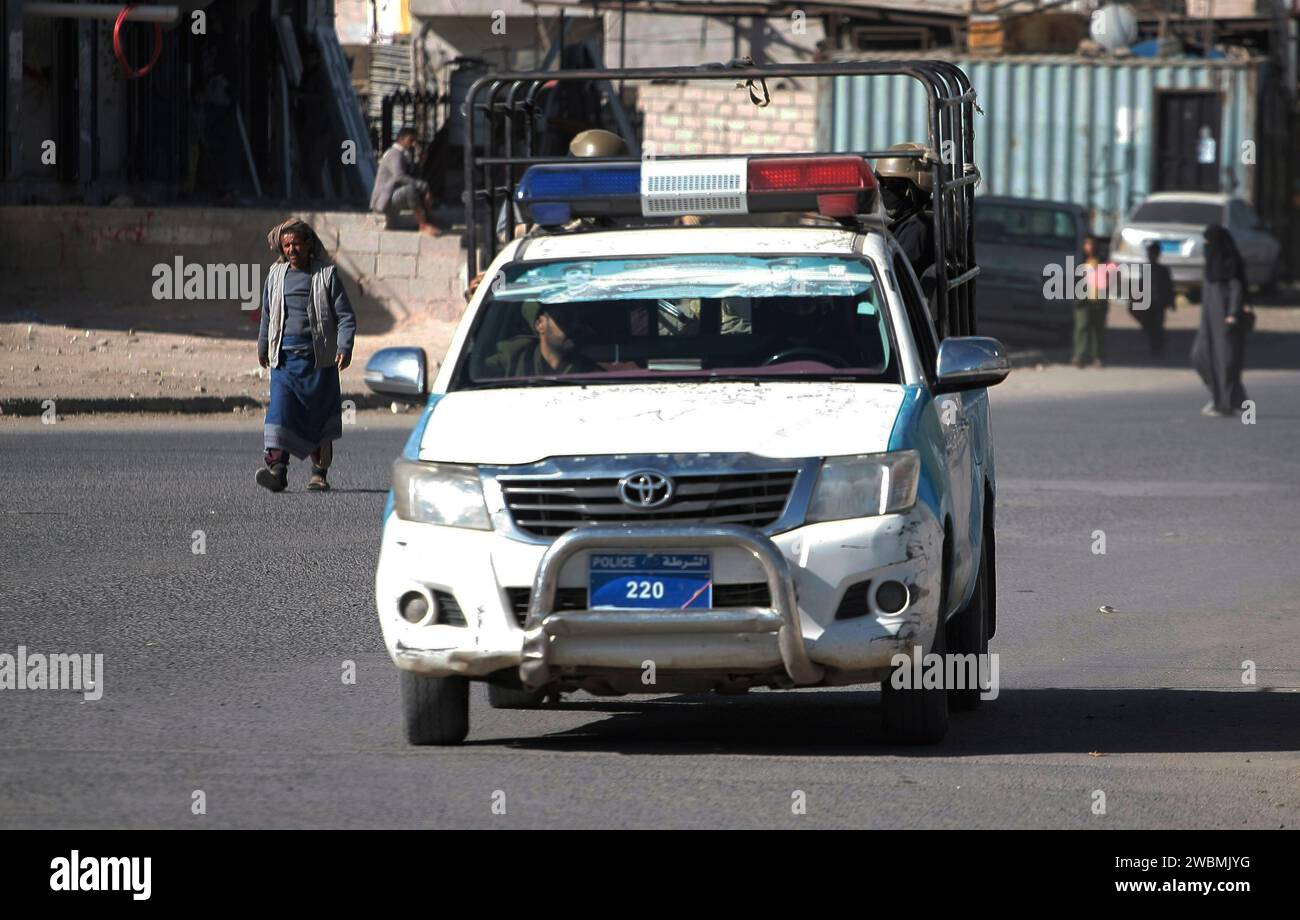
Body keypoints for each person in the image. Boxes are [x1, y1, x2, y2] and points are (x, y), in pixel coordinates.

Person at [256, 218, 357, 492]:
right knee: (280, 411)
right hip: (284, 359)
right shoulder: (275, 275)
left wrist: (344, 347)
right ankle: (277, 471)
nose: (292, 249)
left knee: (318, 416)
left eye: (297, 243)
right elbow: (268, 314)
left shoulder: (326, 275)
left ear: (309, 244)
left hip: (318, 360)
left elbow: (346, 317)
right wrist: (263, 345)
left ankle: (319, 473)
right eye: (286, 245)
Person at [1192, 224, 1251, 417]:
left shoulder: (1229, 264)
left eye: (1209, 242)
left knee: (1225, 362)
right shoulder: (1210, 266)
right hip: (1208, 322)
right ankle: (1226, 397)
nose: (1206, 246)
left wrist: (1233, 313)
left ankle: (1224, 404)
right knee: (1199, 356)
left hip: (1226, 322)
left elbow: (1237, 289)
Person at [483, 302, 600, 377]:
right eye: (566, 319)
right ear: (540, 324)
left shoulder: (592, 373)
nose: (574, 326)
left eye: (578, 320)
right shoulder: (511, 357)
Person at [875, 142, 935, 283]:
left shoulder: (919, 226)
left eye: (893, 183)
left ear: (914, 188)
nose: (885, 189)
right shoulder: (916, 222)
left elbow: (890, 278)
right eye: (881, 182)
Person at [370, 127, 442, 237]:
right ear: (401, 140)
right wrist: (423, 186)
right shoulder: (394, 154)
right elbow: (400, 177)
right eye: (410, 140)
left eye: (414, 141)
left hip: (395, 195)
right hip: (385, 200)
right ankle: (422, 225)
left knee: (417, 188)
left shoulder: (405, 155)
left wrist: (420, 163)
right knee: (410, 190)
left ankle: (430, 220)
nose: (413, 144)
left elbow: (412, 178)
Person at [1129, 241, 1174, 355]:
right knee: (1149, 324)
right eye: (1150, 253)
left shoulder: (1163, 270)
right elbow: (1140, 285)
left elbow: (1168, 286)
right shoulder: (1145, 269)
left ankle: (1158, 345)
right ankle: (1154, 343)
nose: (1151, 256)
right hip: (1148, 302)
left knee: (1158, 324)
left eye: (1153, 253)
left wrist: (1171, 301)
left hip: (1159, 302)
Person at [1072, 236, 1110, 368]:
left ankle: (1097, 356)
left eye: (1092, 244)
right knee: (1081, 327)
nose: (1090, 247)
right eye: (1087, 244)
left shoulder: (1102, 262)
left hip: (1098, 300)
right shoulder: (1079, 262)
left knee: (1098, 330)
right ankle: (1079, 356)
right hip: (1083, 301)